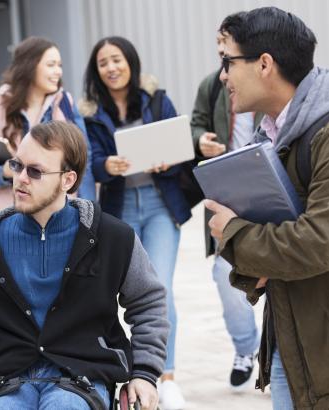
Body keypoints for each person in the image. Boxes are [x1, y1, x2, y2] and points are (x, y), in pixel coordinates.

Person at [205, 7, 329, 409]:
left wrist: (235, 235)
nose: (222, 76)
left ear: (264, 63)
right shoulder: (276, 134)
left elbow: (322, 244)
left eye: (227, 62)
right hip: (296, 343)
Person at [0, 121, 169, 410]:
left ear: (68, 180)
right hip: (4, 377)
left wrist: (145, 374)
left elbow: (148, 304)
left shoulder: (113, 237)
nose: (20, 178)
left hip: (81, 375)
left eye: (35, 171)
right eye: (17, 166)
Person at [78, 36, 189, 410]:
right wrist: (106, 167)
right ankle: (127, 371)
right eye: (103, 62)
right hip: (120, 207)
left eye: (117, 59)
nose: (111, 67)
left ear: (130, 62)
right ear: (97, 71)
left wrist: (167, 160)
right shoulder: (91, 112)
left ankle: (165, 376)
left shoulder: (157, 100)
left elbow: (180, 146)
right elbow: (91, 161)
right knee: (119, 289)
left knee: (160, 287)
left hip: (159, 205)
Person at [190, 31, 262, 391]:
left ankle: (276, 352)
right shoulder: (212, 85)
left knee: (277, 272)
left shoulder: (266, 84)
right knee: (225, 274)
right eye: (220, 52)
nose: (223, 64)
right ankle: (248, 349)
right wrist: (201, 140)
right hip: (227, 189)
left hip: (266, 185)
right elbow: (196, 123)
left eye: (228, 53)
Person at [0, 36, 96, 214]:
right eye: (51, 65)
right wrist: (3, 172)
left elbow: (85, 160)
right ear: (29, 66)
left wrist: (88, 210)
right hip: (9, 213)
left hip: (59, 212)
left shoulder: (65, 103)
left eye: (59, 65)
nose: (58, 72)